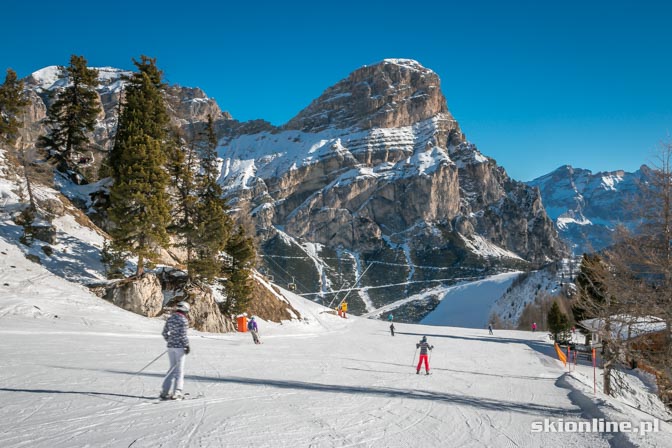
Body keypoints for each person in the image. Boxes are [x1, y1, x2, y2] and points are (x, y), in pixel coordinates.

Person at [160, 301, 190, 400]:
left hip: (170, 347)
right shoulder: (183, 320)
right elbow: (183, 335)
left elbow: (164, 333)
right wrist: (186, 345)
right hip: (180, 347)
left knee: (172, 369)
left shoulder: (170, 318)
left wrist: (170, 340)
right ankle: (177, 392)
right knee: (179, 370)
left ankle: (164, 391)